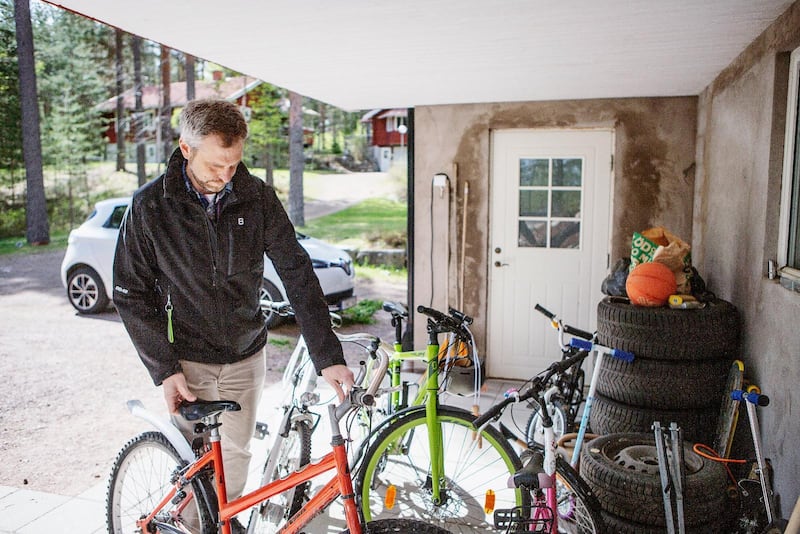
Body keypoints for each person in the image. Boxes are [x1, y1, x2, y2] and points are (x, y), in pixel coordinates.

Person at [113, 98, 354, 530]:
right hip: (187, 361)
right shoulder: (151, 206)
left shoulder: (256, 197)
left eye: (234, 164)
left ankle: (220, 523)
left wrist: (328, 355)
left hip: (246, 355)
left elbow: (296, 273)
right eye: (215, 166)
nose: (226, 177)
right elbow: (130, 293)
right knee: (197, 476)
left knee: (236, 462)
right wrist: (165, 369)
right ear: (186, 149)